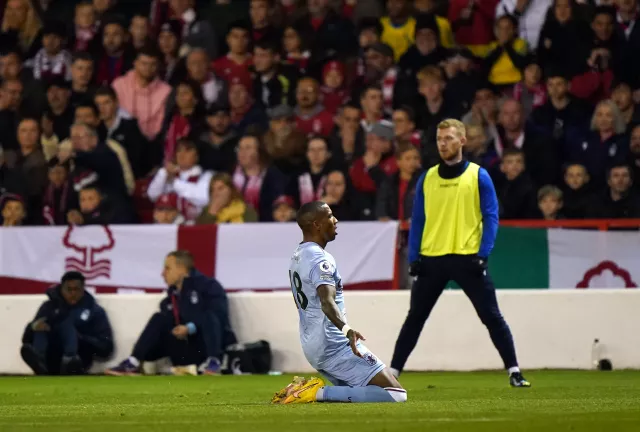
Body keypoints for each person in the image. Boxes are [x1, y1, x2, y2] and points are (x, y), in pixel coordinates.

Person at [390, 119, 530, 388]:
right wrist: (414, 257)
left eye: (449, 138)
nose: (443, 143)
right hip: (432, 260)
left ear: (462, 141)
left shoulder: (478, 175)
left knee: (491, 316)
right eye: (440, 139)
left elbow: (491, 217)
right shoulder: (427, 178)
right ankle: (392, 373)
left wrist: (484, 252)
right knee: (415, 318)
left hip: (468, 259)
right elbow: (418, 219)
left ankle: (514, 371)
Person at [271, 201, 406, 404]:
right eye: (330, 216)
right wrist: (347, 330)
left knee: (358, 395)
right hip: (334, 344)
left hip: (313, 344)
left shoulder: (298, 256)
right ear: (317, 224)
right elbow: (326, 302)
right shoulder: (319, 258)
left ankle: (306, 391)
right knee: (395, 394)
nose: (335, 221)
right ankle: (311, 393)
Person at [106, 250, 237, 376]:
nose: (163, 274)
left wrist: (191, 327)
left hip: (208, 347)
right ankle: (133, 362)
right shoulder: (170, 299)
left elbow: (219, 315)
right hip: (186, 350)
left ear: (181, 269)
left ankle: (214, 362)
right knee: (159, 318)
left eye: (167, 268)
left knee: (210, 315)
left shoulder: (209, 286)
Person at [20, 271, 114, 375]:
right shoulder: (48, 307)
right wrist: (32, 327)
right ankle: (40, 361)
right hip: (50, 355)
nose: (73, 294)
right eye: (69, 290)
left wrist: (79, 337)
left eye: (76, 290)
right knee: (41, 326)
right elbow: (26, 340)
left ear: (83, 290)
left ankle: (70, 361)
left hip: (79, 357)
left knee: (66, 326)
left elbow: (106, 348)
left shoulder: (94, 311)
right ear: (61, 289)